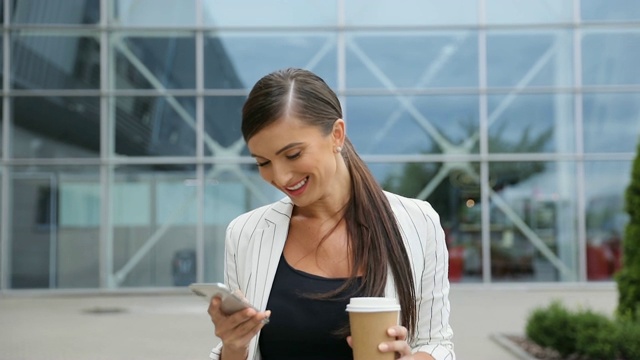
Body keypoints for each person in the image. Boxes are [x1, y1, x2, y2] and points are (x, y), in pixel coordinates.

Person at [207, 68, 455, 360]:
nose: (282, 176)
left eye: (293, 154)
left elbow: (436, 343)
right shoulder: (246, 233)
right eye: (263, 162)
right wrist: (233, 346)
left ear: (337, 134)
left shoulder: (417, 222)